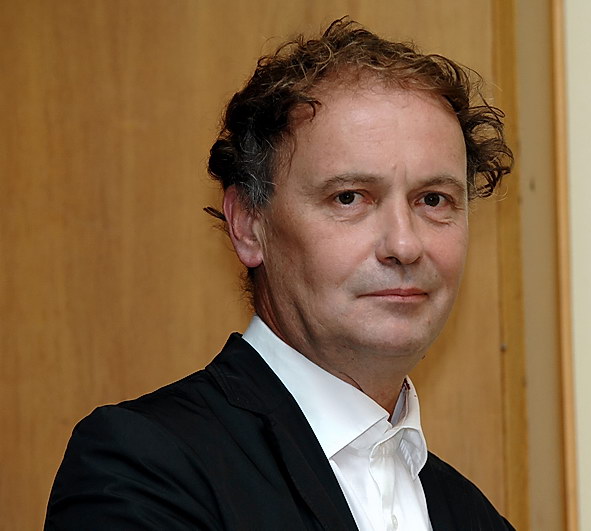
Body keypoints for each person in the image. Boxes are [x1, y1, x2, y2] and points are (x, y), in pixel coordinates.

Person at [45, 18, 514, 530]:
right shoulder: (144, 468)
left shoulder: (474, 516)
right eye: (349, 198)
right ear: (249, 225)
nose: (404, 245)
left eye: (434, 200)